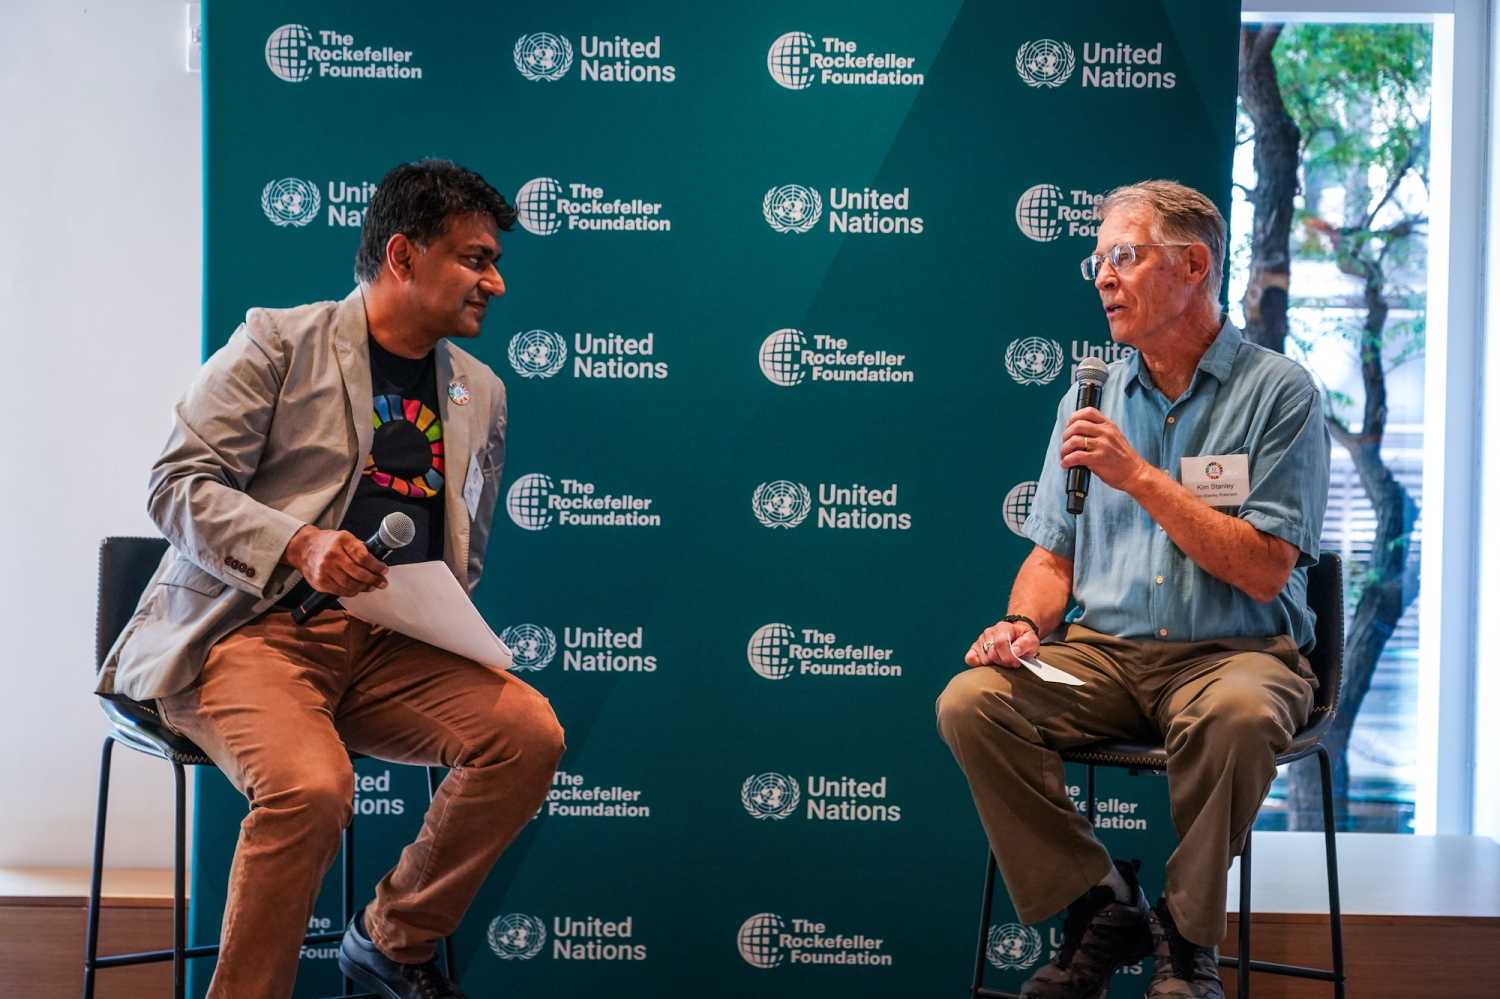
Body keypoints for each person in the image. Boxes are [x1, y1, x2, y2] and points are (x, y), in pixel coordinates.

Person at [97, 159, 565, 999]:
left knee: (527, 733)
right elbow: (178, 484)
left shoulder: (481, 391)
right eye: (474, 258)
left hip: (386, 646)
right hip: (244, 632)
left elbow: (467, 543)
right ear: (403, 256)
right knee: (312, 786)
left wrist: (435, 611)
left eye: (494, 262)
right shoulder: (279, 341)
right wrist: (298, 543)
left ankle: (392, 938)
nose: (493, 280)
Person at [936, 180, 1329, 999]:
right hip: (1105, 655)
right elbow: (1053, 558)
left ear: (1193, 265)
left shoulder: (1279, 394)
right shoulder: (1090, 397)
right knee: (972, 701)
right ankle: (1101, 903)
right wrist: (1019, 624)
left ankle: (1186, 942)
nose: (1103, 277)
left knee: (1242, 715)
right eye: (1099, 259)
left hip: (1237, 652)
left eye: (1126, 255)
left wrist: (1139, 475)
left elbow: (1264, 568)